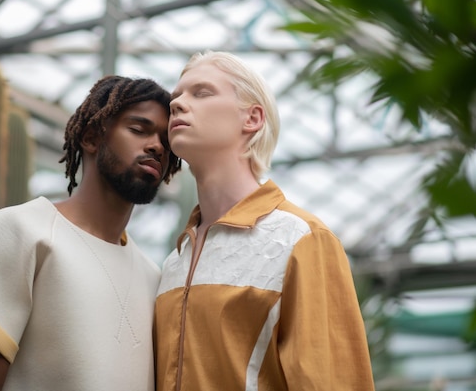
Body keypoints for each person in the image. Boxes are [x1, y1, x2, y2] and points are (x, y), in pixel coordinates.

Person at [154, 51, 375, 390]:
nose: (177, 104)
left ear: (253, 118)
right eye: (176, 97)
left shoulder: (301, 239)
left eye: (201, 93)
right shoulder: (174, 261)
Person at [0, 75, 182, 391]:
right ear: (90, 138)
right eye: (138, 129)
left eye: (166, 143)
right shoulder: (22, 232)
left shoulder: (154, 278)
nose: (156, 146)